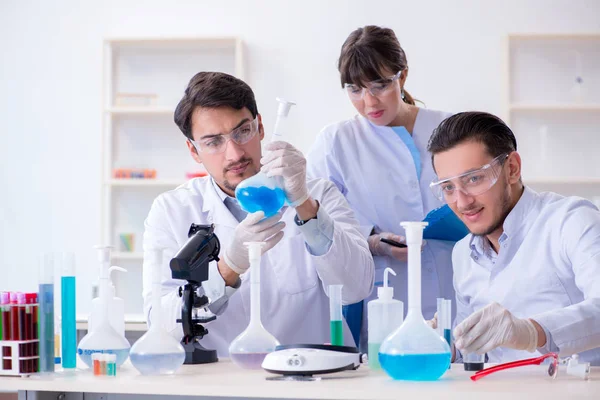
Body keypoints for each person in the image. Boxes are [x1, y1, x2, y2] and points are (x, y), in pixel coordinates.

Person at [142, 72, 375, 356]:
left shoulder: (318, 194)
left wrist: (303, 203)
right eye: (214, 142)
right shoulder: (172, 211)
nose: (234, 154)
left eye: (242, 131)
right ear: (194, 150)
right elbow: (161, 326)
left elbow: (356, 287)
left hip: (313, 379)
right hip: (223, 384)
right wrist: (227, 267)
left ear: (261, 127)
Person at [306, 25, 457, 349]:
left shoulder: (452, 127)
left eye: (379, 85)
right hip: (386, 288)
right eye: (355, 89)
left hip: (455, 280)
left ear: (402, 77)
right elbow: (315, 221)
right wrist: (373, 241)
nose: (369, 101)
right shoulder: (336, 142)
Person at [427, 111, 600, 365]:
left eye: (474, 179)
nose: (461, 202)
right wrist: (448, 347)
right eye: (448, 187)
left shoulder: (570, 220)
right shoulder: (463, 253)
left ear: (512, 169)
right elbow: (474, 350)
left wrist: (532, 332)